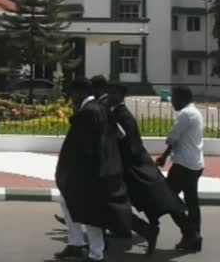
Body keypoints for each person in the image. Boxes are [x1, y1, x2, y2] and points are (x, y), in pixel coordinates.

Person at [54, 78, 131, 262]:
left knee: (90, 214)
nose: (70, 99)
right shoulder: (102, 108)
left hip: (87, 172)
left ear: (79, 93)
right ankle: (76, 244)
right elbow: (120, 134)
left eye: (72, 94)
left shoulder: (87, 113)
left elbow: (79, 148)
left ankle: (95, 254)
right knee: (68, 204)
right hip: (103, 169)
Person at [107, 83, 187, 255]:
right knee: (149, 202)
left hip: (133, 167)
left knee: (153, 202)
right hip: (134, 166)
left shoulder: (122, 116)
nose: (110, 95)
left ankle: (155, 231)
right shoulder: (117, 113)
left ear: (121, 95)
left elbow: (126, 142)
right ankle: (131, 230)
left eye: (114, 92)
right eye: (110, 92)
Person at [155, 86, 204, 252]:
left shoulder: (185, 114)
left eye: (174, 98)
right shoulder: (196, 112)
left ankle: (190, 233)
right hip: (196, 164)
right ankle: (194, 238)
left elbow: (172, 137)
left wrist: (163, 156)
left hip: (183, 165)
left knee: (168, 199)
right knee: (192, 202)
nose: (172, 102)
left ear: (182, 98)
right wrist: (165, 156)